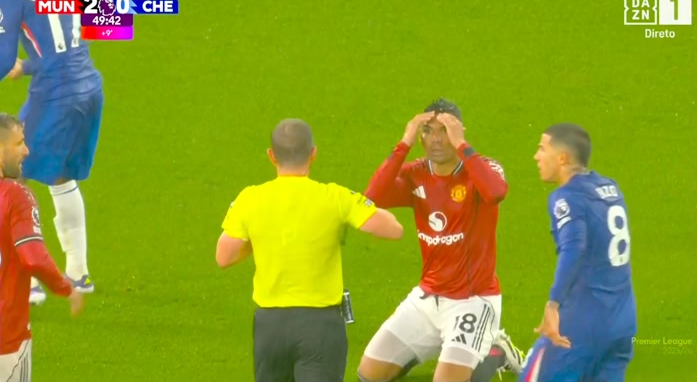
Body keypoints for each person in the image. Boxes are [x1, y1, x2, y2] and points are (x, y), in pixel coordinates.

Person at [216, 118, 404, 382]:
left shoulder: (249, 198)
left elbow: (224, 257)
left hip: (270, 327)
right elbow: (393, 230)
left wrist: (258, 239)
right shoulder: (335, 197)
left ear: (272, 156)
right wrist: (355, 209)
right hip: (321, 326)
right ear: (313, 153)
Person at [357, 99, 525, 382]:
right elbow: (373, 197)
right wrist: (404, 143)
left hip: (473, 301)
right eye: (428, 130)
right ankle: (442, 349)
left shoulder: (483, 168)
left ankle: (494, 351)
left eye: (444, 130)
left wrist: (462, 146)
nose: (435, 139)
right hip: (427, 299)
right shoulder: (416, 173)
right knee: (369, 374)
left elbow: (496, 192)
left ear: (459, 131)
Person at [0, 0, 105, 304]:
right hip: (89, 90)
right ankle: (79, 273)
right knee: (61, 176)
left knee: (10, 178)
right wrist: (29, 67)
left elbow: (3, 58)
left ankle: (27, 281)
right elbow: (75, 38)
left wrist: (15, 64)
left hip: (55, 96)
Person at [520, 123, 637, 381]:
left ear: (562, 158)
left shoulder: (566, 196)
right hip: (621, 321)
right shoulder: (611, 188)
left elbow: (574, 248)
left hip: (582, 324)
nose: (536, 156)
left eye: (542, 149)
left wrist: (553, 305)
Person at [0, 113, 85, 381]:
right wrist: (65, 288)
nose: (27, 150)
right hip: (7, 341)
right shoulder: (15, 196)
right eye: (19, 143)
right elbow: (33, 257)